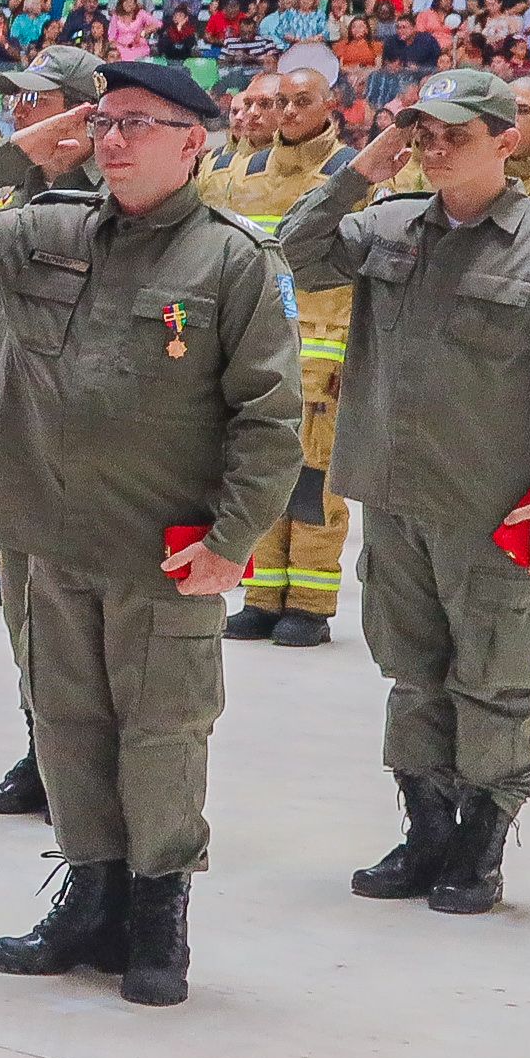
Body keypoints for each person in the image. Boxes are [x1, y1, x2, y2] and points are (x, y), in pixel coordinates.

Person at [0, 63, 302, 1007]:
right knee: (67, 726)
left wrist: (233, 538)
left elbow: (269, 419)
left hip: (162, 547)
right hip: (42, 535)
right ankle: (88, 896)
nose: (112, 140)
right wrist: (20, 150)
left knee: (161, 736)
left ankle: (158, 917)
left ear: (194, 142)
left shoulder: (233, 260)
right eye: (103, 122)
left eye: (137, 125)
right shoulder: (50, 229)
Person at [280, 72, 530, 918]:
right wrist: (365, 165)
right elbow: (292, 250)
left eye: (454, 135)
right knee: (410, 669)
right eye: (422, 133)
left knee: (493, 676)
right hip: (393, 493)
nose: (434, 149)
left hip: (495, 500)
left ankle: (481, 840)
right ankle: (425, 825)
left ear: (506, 143)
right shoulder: (389, 223)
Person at [195, 60, 352, 641]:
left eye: (299, 102)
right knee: (256, 473)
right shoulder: (243, 171)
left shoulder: (349, 174)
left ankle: (309, 601)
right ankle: (262, 594)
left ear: (330, 107)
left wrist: (352, 359)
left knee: (314, 483)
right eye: (278, 101)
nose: (285, 113)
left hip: (325, 352)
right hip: (255, 346)